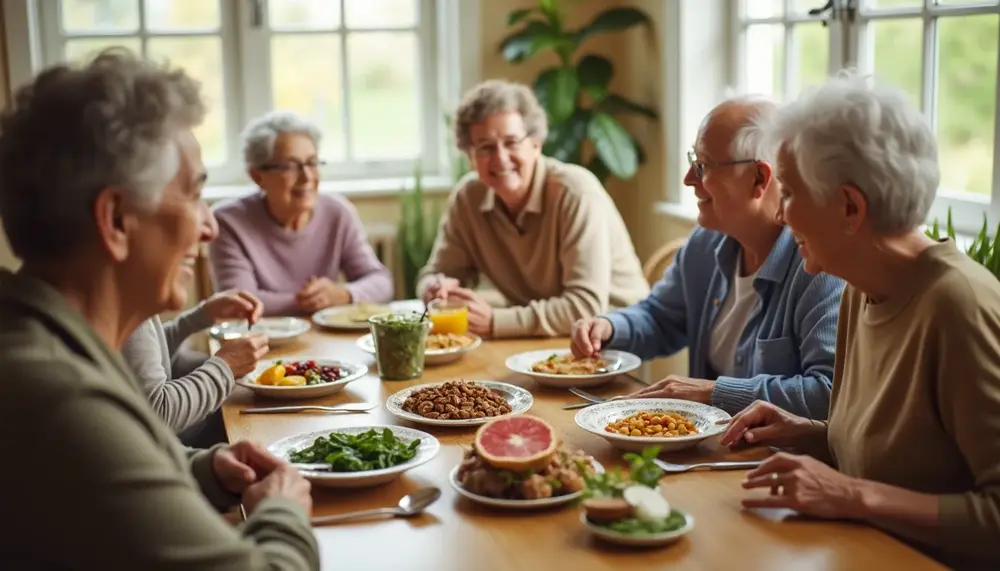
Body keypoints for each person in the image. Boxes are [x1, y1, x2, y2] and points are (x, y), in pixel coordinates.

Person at [0, 48, 318, 569]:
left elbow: (104, 473)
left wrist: (204, 469)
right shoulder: (61, 400)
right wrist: (283, 514)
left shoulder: (47, 342)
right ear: (117, 220)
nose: (209, 227)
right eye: (194, 195)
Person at [720, 75, 1000, 569]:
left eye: (788, 193)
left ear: (850, 206)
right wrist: (808, 431)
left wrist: (852, 495)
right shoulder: (858, 285)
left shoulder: (959, 307)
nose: (781, 215)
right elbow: (906, 454)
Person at [571, 96, 845, 418]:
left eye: (702, 166)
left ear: (759, 178)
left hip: (771, 461)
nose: (688, 178)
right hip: (711, 452)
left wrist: (712, 392)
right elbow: (661, 318)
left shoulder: (819, 266)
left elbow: (828, 392)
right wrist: (609, 327)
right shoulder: (706, 241)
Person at [417, 79, 649, 338]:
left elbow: (585, 306)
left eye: (512, 142)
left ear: (536, 144)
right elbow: (436, 273)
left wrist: (496, 321)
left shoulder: (575, 192)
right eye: (485, 148)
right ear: (470, 157)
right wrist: (434, 288)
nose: (501, 158)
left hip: (615, 337)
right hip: (541, 339)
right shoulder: (467, 197)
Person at [210, 110, 392, 316]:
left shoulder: (338, 213)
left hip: (325, 340)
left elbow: (381, 282)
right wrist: (312, 301)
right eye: (290, 166)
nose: (307, 177)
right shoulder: (229, 222)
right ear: (257, 176)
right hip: (260, 341)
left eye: (312, 163)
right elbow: (239, 301)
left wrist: (343, 294)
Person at [121, 284, 268, 447]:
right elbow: (157, 413)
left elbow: (148, 353)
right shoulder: (124, 303)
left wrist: (200, 316)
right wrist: (225, 368)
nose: (193, 256)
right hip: (162, 450)